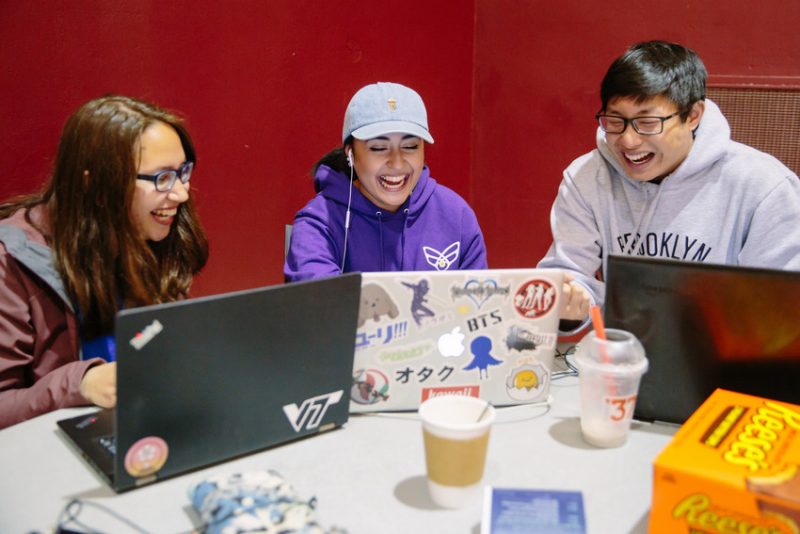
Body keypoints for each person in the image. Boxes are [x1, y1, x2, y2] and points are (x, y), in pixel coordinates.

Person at [539, 40, 800, 330]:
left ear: (693, 116)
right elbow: (570, 275)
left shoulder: (764, 187)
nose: (628, 141)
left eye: (647, 122)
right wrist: (566, 303)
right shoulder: (587, 178)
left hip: (729, 364)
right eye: (615, 120)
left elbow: (783, 307)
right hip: (627, 357)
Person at [0, 95, 208, 428]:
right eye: (161, 178)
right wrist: (80, 384)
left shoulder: (153, 236)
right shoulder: (9, 263)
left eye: (182, 172)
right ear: (93, 184)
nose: (181, 193)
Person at [284, 82, 487, 281]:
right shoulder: (319, 222)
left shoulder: (455, 215)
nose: (397, 163)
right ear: (351, 154)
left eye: (410, 146)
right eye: (379, 148)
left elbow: (478, 306)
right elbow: (320, 306)